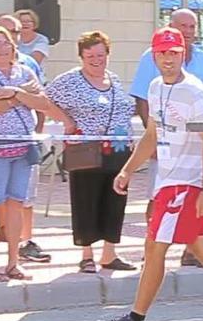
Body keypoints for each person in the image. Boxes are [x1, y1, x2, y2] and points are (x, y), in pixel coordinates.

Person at [96, 27, 203, 321]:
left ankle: (135, 320)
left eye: (173, 52)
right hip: (167, 181)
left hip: (186, 184)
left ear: (183, 54)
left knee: (155, 248)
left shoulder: (195, 92)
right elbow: (153, 134)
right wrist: (128, 170)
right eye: (162, 53)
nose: (168, 58)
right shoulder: (155, 87)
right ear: (154, 55)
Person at [130, 8, 203, 267]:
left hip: (195, 154)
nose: (188, 32)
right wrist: (154, 141)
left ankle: (187, 253)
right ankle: (151, 252)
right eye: (182, 26)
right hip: (166, 149)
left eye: (191, 27)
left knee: (198, 214)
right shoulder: (150, 59)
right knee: (157, 199)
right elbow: (143, 101)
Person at [45, 31, 137, 273]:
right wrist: (66, 121)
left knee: (115, 199)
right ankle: (87, 254)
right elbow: (44, 100)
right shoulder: (70, 80)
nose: (96, 60)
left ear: (108, 54)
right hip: (85, 149)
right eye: (90, 56)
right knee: (86, 198)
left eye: (100, 54)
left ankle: (110, 253)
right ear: (81, 57)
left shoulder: (114, 79)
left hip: (117, 149)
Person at [0, 26, 50, 281]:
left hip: (22, 148)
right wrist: (21, 97)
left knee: (16, 203)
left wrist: (15, 93)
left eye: (5, 41)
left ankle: (13, 262)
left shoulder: (25, 71)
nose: (2, 46)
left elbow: (43, 102)